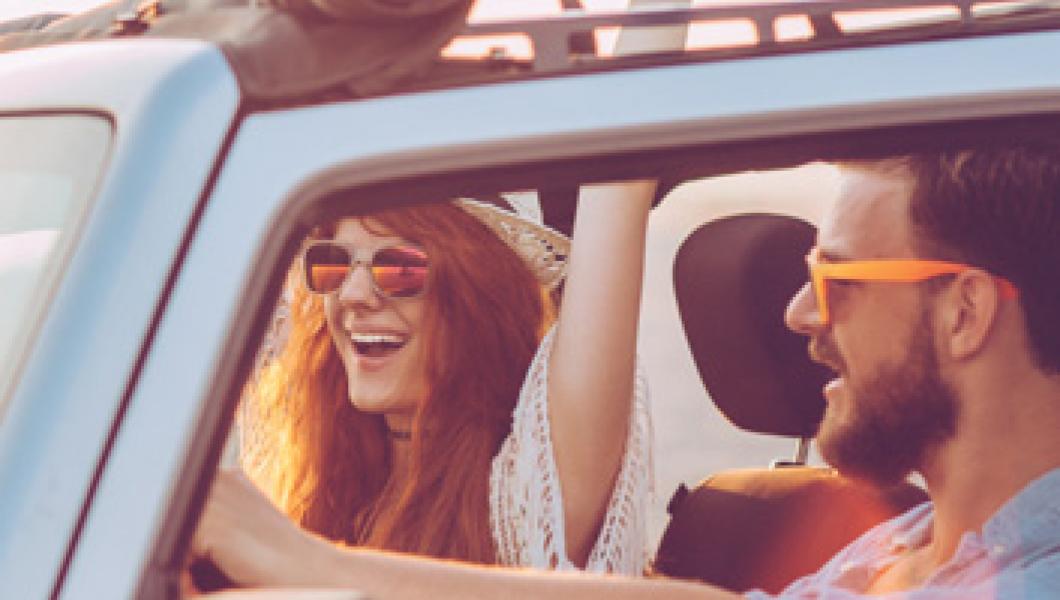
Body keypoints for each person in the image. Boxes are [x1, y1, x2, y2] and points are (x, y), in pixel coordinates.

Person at [193, 143, 1060, 598]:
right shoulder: (891, 551)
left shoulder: (1030, 575)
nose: (797, 313)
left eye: (832, 279)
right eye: (330, 266)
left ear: (967, 312)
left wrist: (296, 559)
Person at [223, 182, 657, 581]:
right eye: (333, 263)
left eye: (400, 268)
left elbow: (619, 183)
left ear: (479, 295)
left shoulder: (522, 502)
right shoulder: (324, 487)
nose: (353, 296)